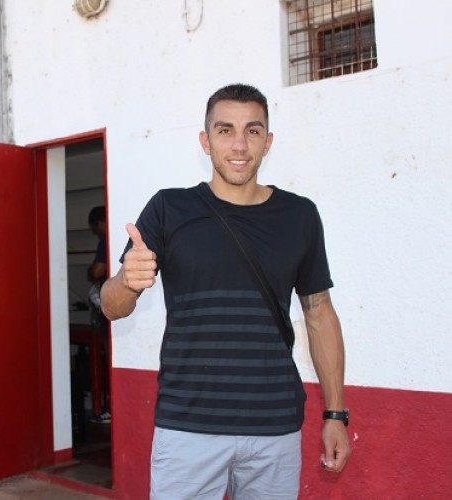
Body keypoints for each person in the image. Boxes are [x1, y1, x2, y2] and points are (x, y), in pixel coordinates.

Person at [100, 83, 350, 499]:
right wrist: (127, 279)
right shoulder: (169, 209)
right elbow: (112, 308)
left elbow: (319, 314)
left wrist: (336, 414)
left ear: (268, 141)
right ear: (206, 141)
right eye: (225, 130)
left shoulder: (299, 216)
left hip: (274, 427)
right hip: (188, 427)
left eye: (253, 131)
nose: (239, 145)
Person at [87, 205, 111, 423]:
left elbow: (97, 271)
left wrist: (90, 271)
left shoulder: (106, 239)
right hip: (123, 305)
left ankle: (110, 409)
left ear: (101, 223)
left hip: (111, 307)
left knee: (108, 357)